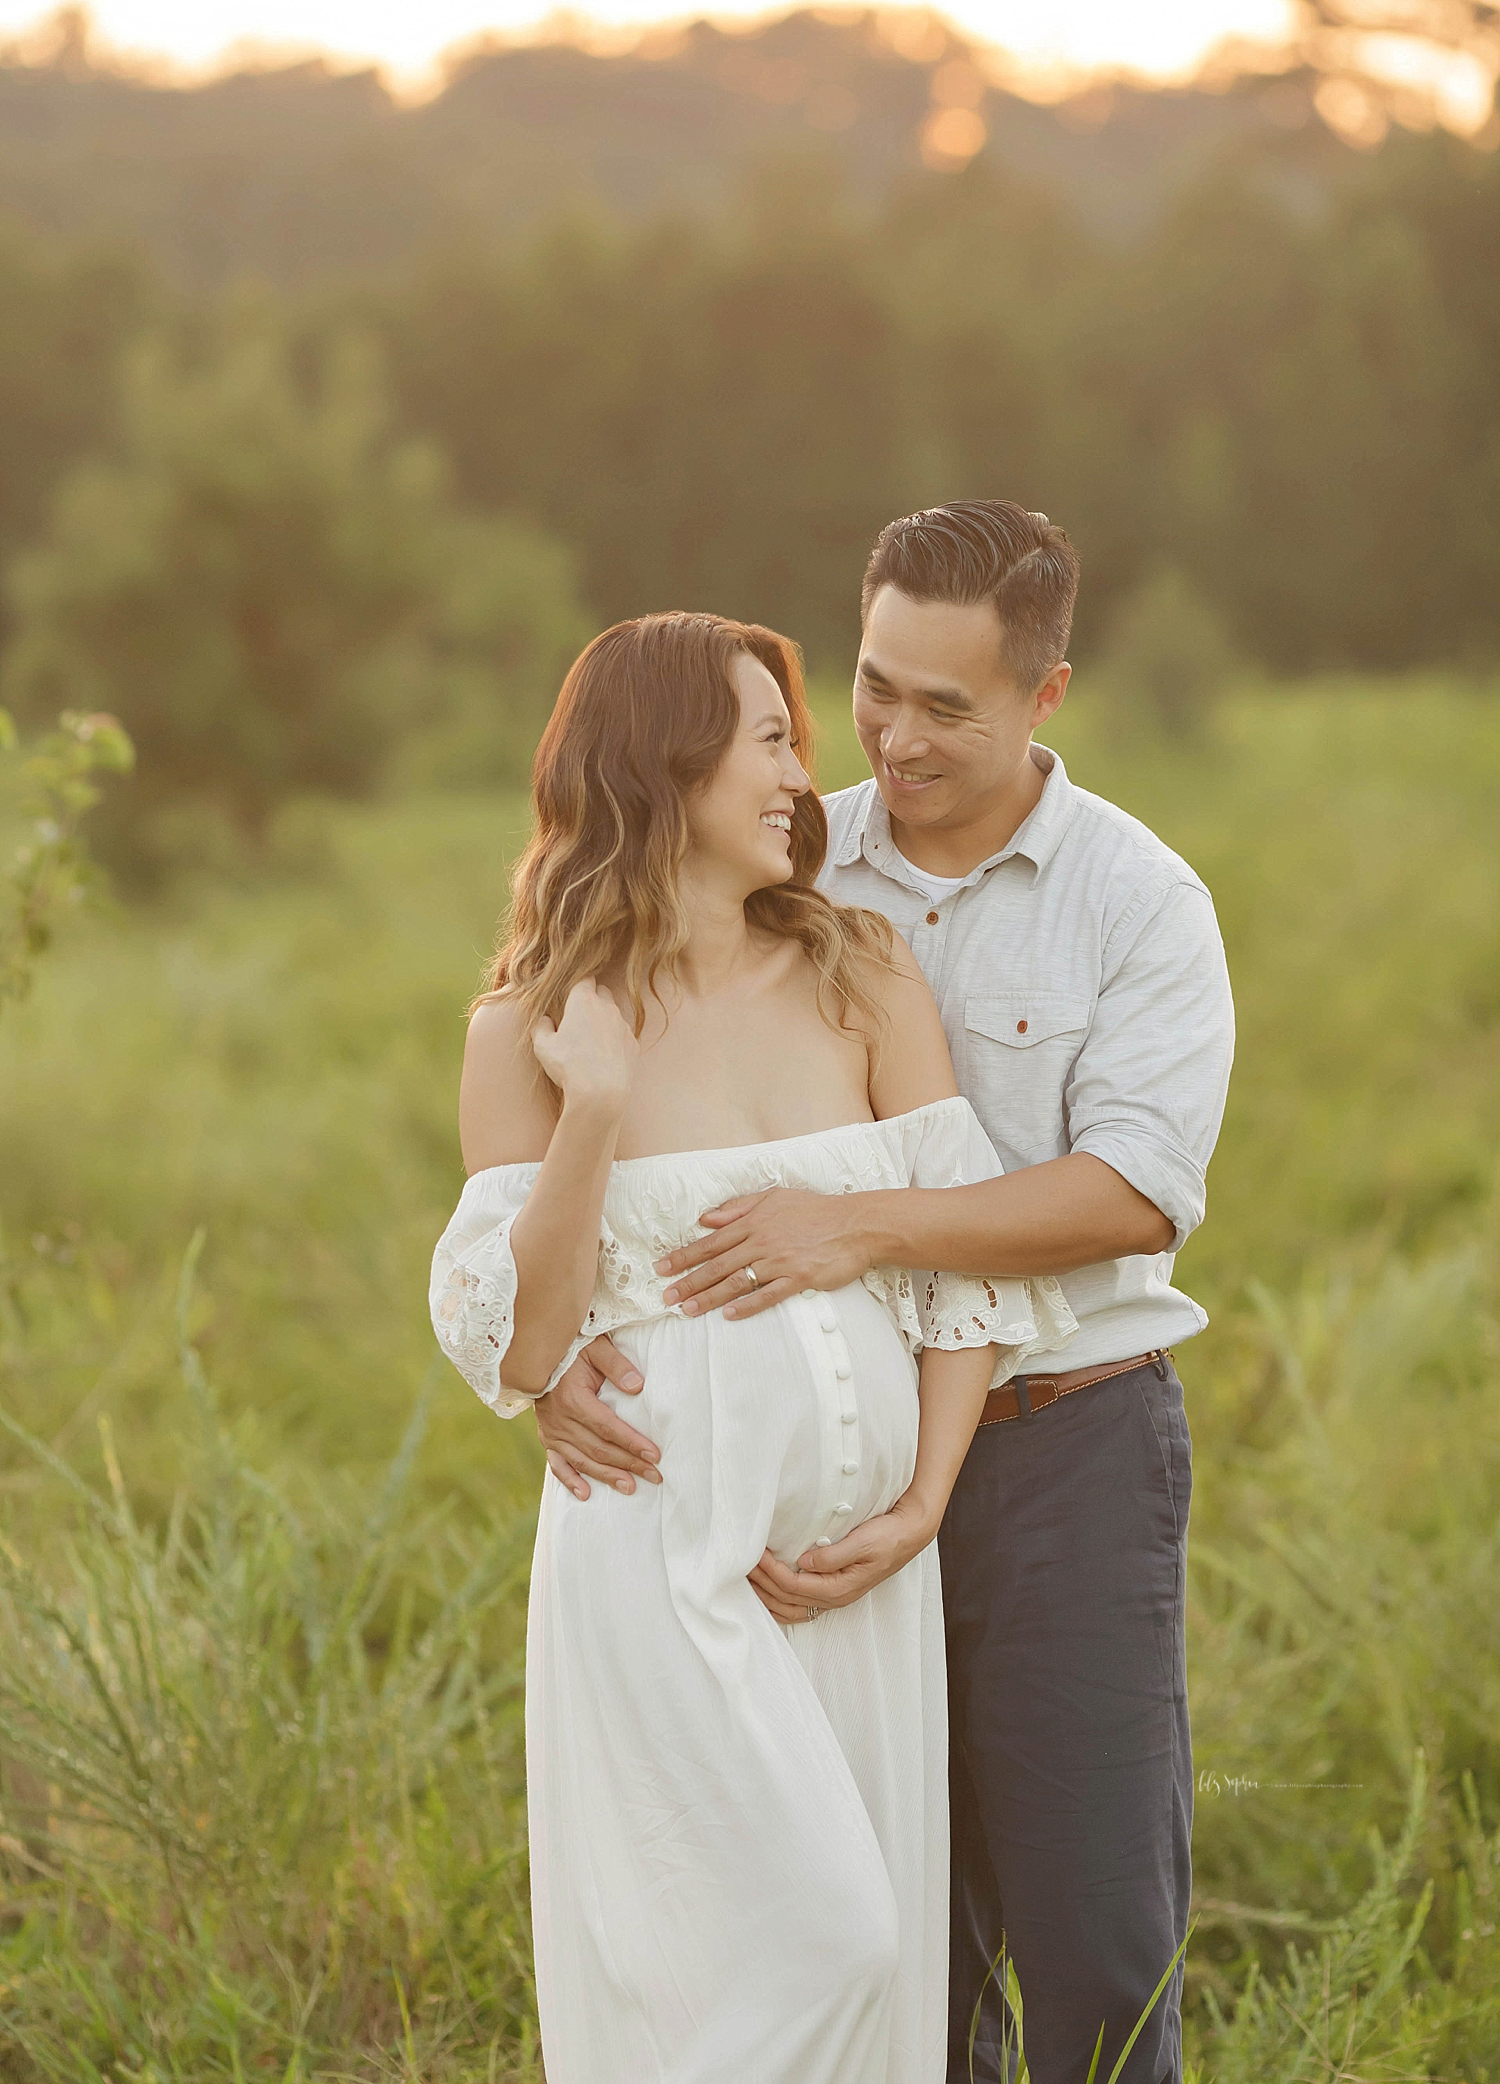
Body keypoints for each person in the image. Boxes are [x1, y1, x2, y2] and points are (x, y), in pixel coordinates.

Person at [534, 507, 1236, 2084]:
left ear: (1046, 693)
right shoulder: (773, 838)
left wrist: (858, 1229)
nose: (890, 739)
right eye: (871, 687)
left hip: (1063, 1454)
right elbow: (599, 1133)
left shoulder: (1139, 900)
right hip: (795, 1482)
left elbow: (1132, 1190)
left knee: (1094, 1939)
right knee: (895, 1943)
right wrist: (556, 1366)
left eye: (947, 706)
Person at [429, 610, 1079, 2084]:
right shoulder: (529, 1026)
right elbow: (525, 1342)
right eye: (772, 736)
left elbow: (952, 1266)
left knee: (881, 1981)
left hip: (852, 1576)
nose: (808, 772)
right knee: (820, 1941)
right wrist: (593, 1105)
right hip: (663, 1557)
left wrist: (921, 1502)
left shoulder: (861, 970)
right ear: (668, 762)